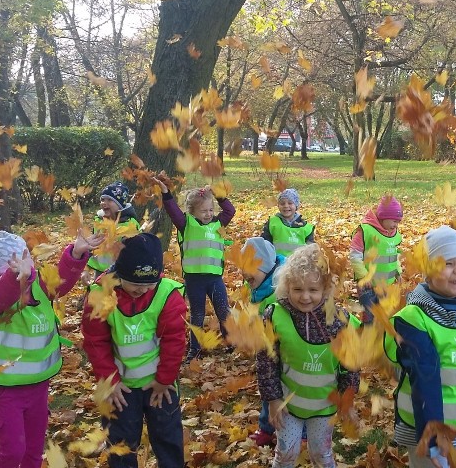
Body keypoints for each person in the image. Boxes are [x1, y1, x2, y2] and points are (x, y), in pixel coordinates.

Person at [0, 230, 103, 468]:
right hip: (6, 389)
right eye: (21, 266)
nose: (29, 270)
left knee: (33, 452)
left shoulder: (37, 284)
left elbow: (59, 282)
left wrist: (75, 253)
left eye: (28, 262)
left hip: (38, 385)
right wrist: (14, 278)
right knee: (13, 453)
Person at [385, 226, 456, 468]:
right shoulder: (413, 319)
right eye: (448, 263)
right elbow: (424, 377)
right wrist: (433, 437)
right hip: (426, 425)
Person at [81, 233, 187, 468]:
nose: (144, 289)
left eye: (150, 283)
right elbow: (95, 342)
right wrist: (110, 380)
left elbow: (174, 341)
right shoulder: (100, 294)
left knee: (168, 438)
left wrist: (164, 379)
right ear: (119, 276)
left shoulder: (167, 294)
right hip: (121, 388)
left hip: (160, 386)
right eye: (136, 284)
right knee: (120, 444)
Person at [255, 244, 360, 468]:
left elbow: (349, 364)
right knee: (285, 454)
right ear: (287, 286)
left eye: (313, 290)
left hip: (324, 407)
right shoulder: (275, 316)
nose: (305, 297)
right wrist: (273, 400)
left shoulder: (340, 321)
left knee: (322, 454)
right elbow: (266, 362)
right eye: (297, 289)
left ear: (325, 288)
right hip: (288, 405)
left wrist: (348, 400)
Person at [154, 177, 236, 359]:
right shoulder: (186, 224)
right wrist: (166, 193)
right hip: (194, 280)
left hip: (215, 279)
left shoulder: (218, 223)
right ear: (192, 212)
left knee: (223, 311)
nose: (208, 214)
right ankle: (194, 349)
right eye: (203, 211)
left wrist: (218, 195)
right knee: (197, 315)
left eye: (210, 210)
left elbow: (230, 210)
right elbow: (173, 211)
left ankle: (231, 342)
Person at [242, 237, 286, 447]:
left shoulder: (281, 291)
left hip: (287, 352)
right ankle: (267, 428)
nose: (245, 275)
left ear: (267, 268)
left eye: (251, 270)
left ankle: (301, 432)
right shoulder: (259, 287)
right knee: (269, 390)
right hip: (267, 352)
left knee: (291, 391)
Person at [350, 194, 403, 324]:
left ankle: (382, 339)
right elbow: (355, 254)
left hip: (386, 285)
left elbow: (394, 255)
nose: (396, 225)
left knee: (384, 315)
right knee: (369, 316)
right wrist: (363, 275)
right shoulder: (365, 231)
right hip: (368, 287)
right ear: (383, 217)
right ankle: (368, 340)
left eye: (398, 222)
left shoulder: (394, 235)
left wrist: (398, 271)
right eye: (394, 221)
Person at [85, 181, 140, 280]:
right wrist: (86, 269)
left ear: (120, 204)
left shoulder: (130, 224)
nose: (104, 203)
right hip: (99, 272)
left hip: (121, 273)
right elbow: (91, 247)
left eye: (109, 200)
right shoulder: (98, 221)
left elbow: (135, 252)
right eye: (102, 199)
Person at [261, 188, 315, 257]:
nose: (286, 206)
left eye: (290, 203)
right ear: (278, 206)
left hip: (298, 264)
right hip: (276, 262)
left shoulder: (306, 228)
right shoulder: (272, 223)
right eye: (282, 203)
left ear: (296, 206)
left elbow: (311, 251)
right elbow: (264, 244)